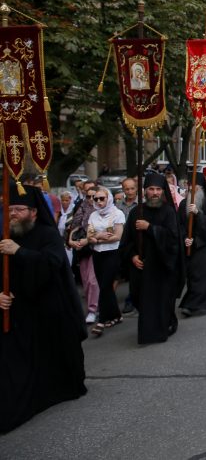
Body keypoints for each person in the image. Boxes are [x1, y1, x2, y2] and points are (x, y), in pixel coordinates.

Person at [0, 184, 87, 433]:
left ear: (34, 212)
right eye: (10, 208)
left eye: (19, 209)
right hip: (15, 310)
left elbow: (52, 264)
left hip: (47, 307)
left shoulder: (47, 234)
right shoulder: (4, 234)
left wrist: (20, 252)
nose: (13, 213)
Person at [118, 172, 184, 345]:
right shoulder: (135, 213)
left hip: (161, 267)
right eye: (151, 189)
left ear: (163, 192)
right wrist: (132, 256)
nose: (154, 193)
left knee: (161, 300)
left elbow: (172, 240)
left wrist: (150, 228)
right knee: (139, 298)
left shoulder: (168, 212)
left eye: (158, 189)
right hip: (141, 267)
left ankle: (161, 329)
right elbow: (127, 241)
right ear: (145, 191)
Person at [86, 187, 126, 335]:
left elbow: (117, 236)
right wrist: (100, 236)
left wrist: (97, 237)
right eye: (96, 199)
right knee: (106, 286)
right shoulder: (93, 215)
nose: (98, 201)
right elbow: (89, 235)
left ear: (108, 198)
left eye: (102, 198)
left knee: (104, 286)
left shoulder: (117, 213)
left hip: (112, 253)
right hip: (98, 254)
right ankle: (117, 315)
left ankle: (101, 320)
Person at [178, 173, 206, 317]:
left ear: (202, 187)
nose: (193, 189)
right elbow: (179, 225)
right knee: (192, 275)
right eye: (190, 186)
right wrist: (184, 238)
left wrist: (199, 213)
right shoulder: (183, 204)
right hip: (189, 244)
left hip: (204, 243)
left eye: (196, 186)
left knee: (202, 274)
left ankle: (195, 305)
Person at [66, 181, 99, 325]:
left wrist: (89, 239)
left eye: (95, 197)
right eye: (89, 197)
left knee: (93, 280)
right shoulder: (82, 208)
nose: (92, 200)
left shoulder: (104, 210)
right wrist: (71, 240)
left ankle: (93, 309)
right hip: (83, 249)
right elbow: (74, 225)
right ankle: (93, 307)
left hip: (98, 249)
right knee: (86, 281)